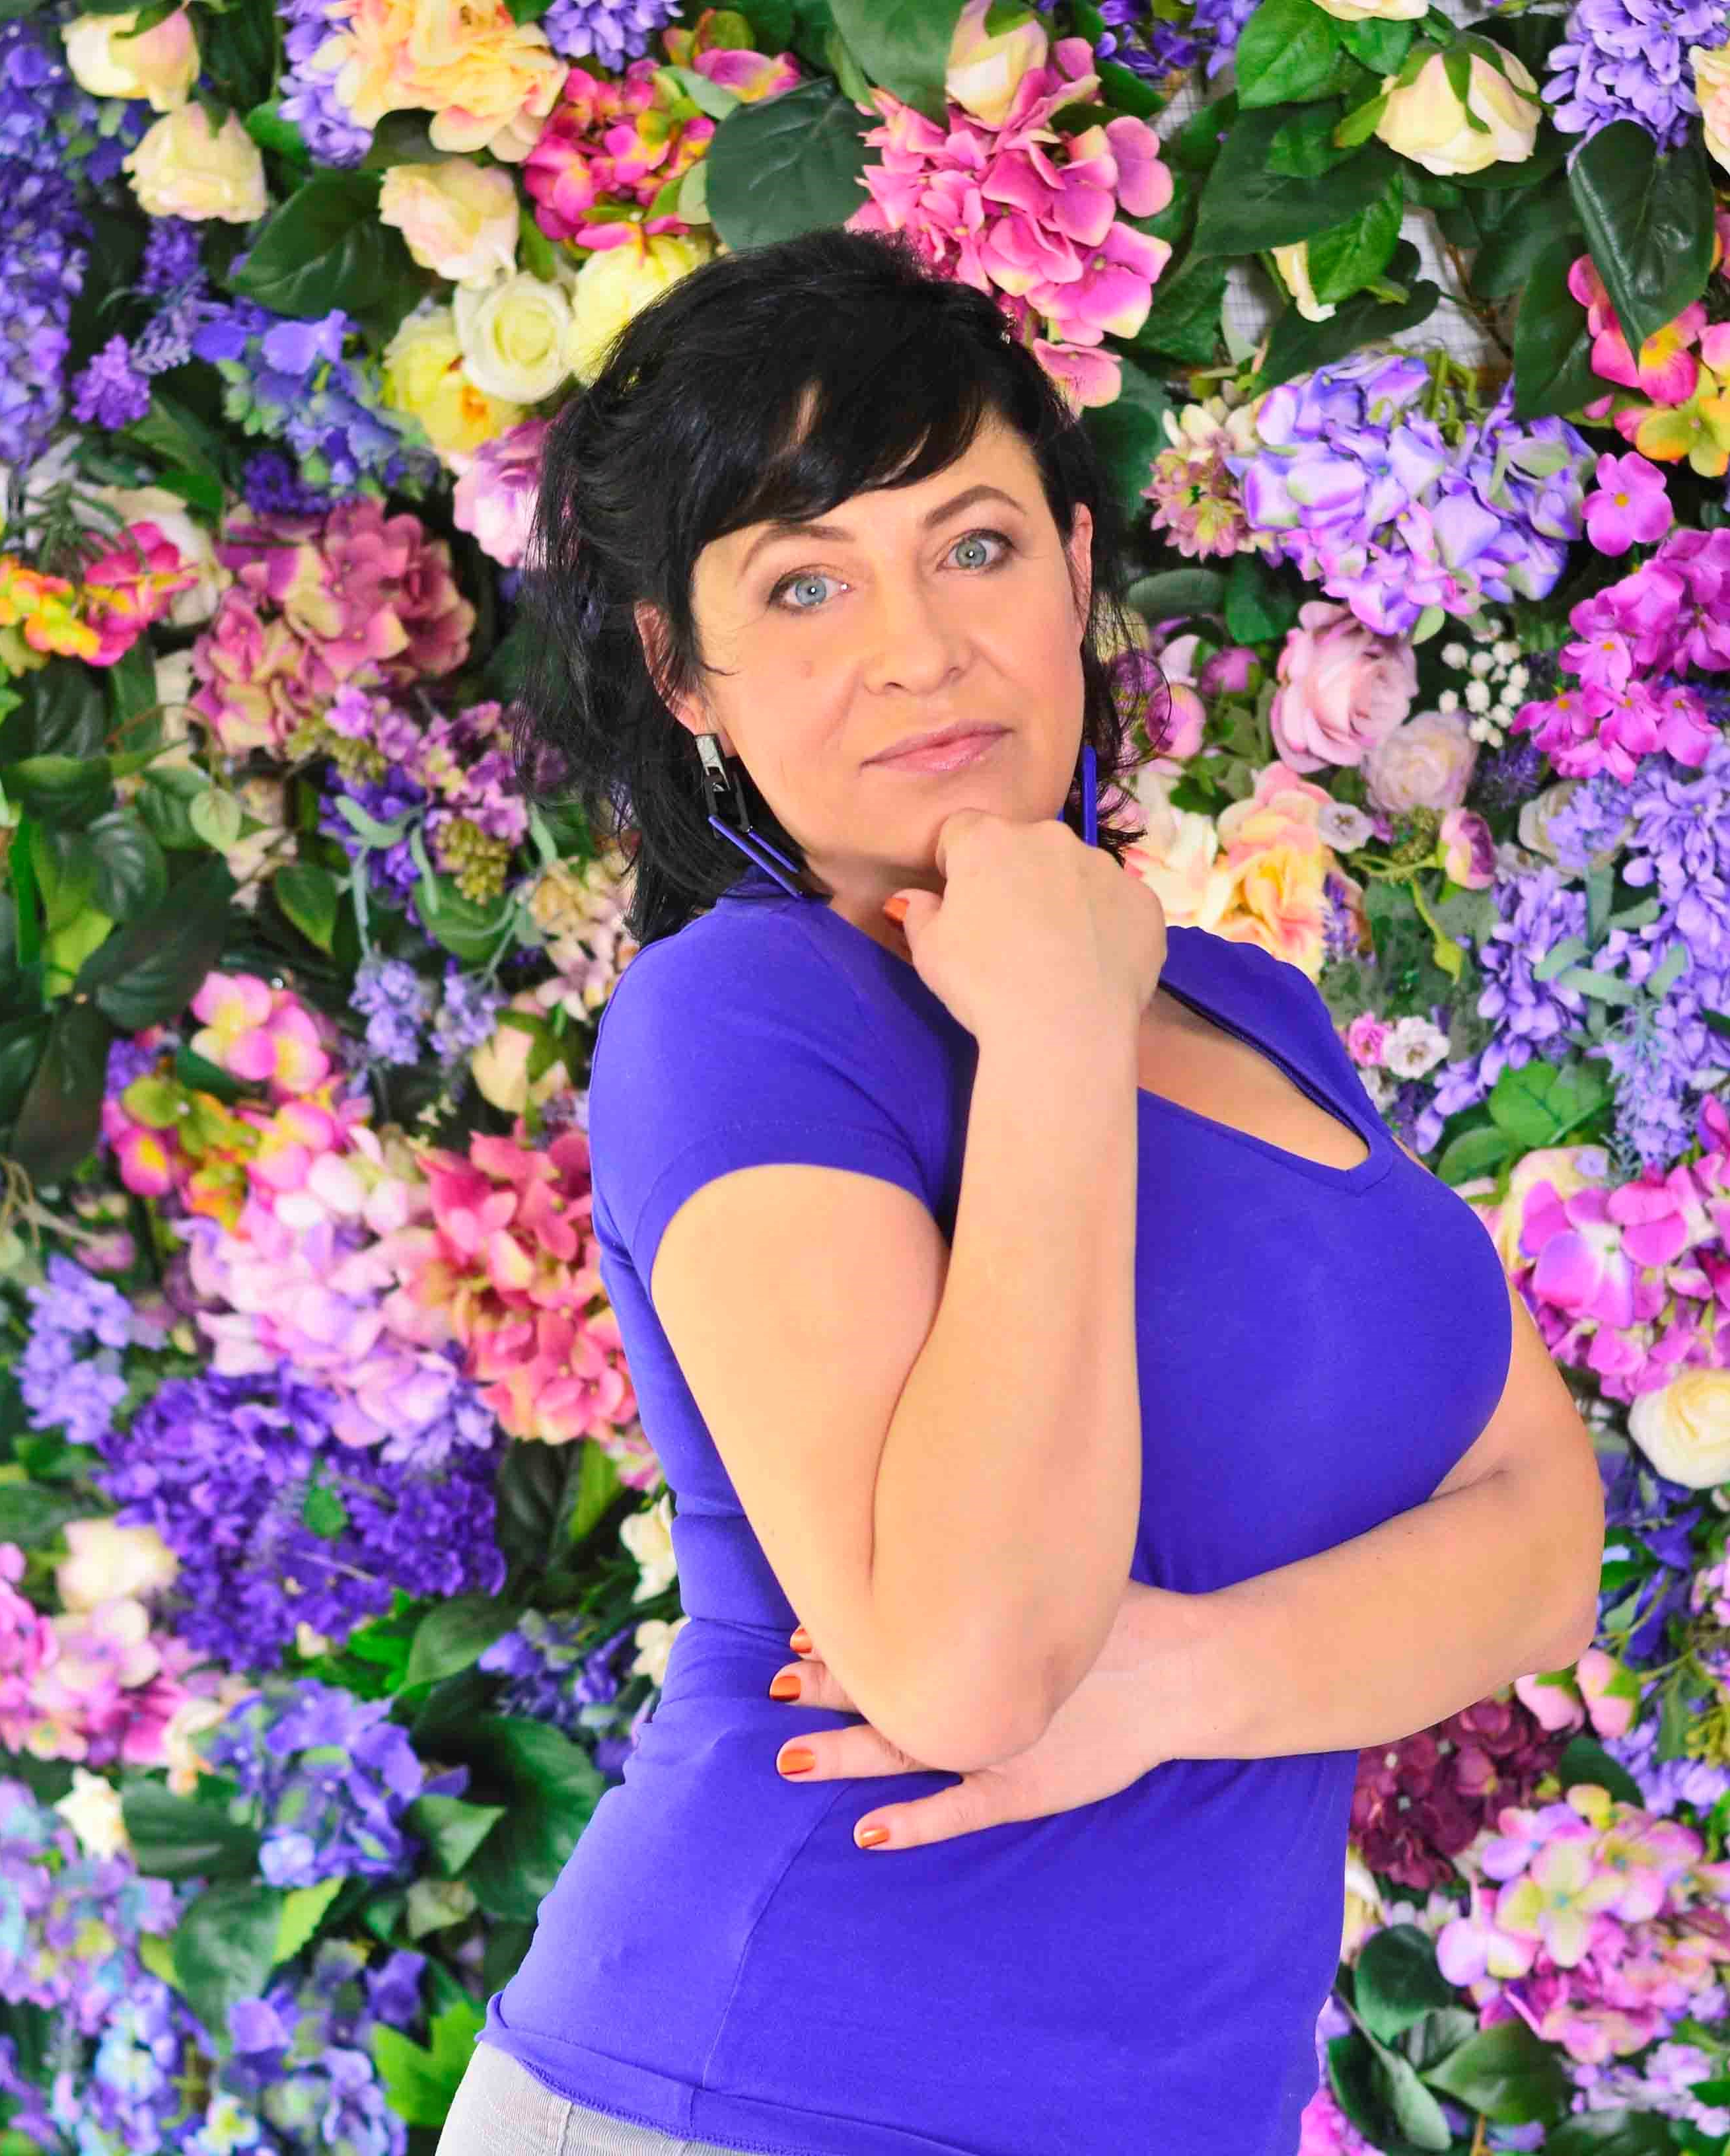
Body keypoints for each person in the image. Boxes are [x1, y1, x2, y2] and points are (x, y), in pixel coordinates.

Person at [448, 227, 1606, 2156]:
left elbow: (1542, 1544)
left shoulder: (1244, 1004)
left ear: (1076, 568)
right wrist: (1057, 1033)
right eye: (803, 583)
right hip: (761, 2091)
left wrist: (1167, 1681)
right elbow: (974, 1673)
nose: (916, 648)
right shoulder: (743, 1019)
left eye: (973, 547)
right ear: (683, 673)